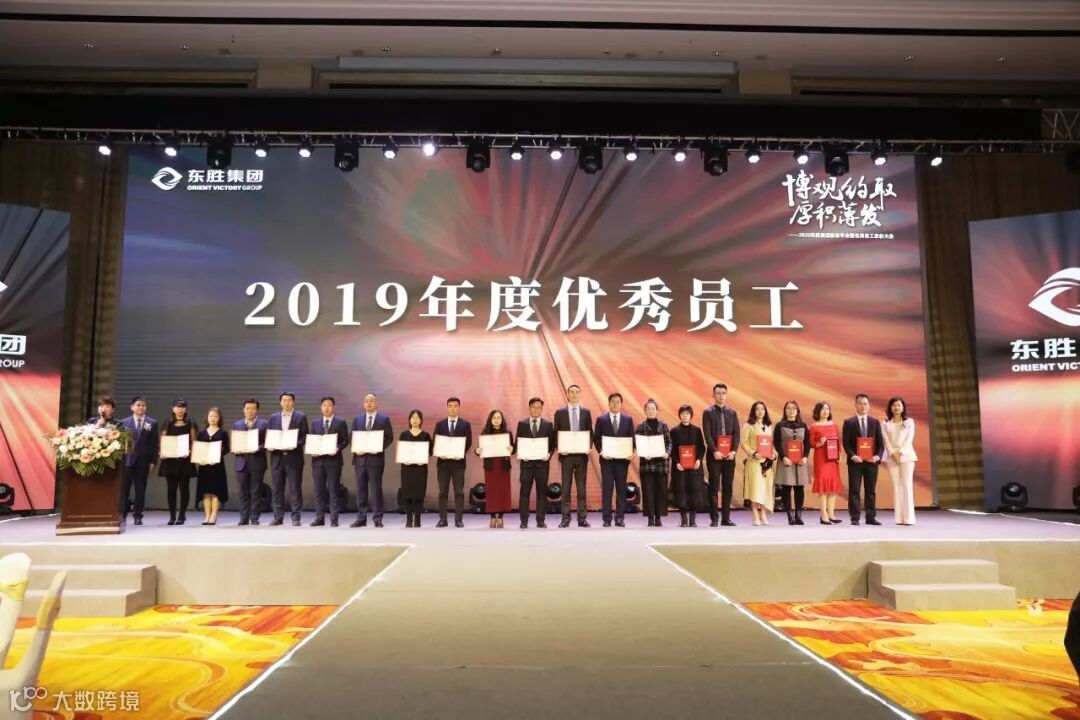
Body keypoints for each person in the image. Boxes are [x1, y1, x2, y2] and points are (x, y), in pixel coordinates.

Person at [351, 393, 394, 528]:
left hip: (375, 459)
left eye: (371, 401)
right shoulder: (357, 419)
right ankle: (361, 518)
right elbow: (352, 437)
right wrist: (356, 448)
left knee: (375, 489)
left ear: (376, 403)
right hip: (360, 460)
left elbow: (389, 437)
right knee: (361, 490)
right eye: (366, 401)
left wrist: (379, 447)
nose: (368, 403)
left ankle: (377, 518)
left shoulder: (384, 419)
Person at [554, 384, 593, 528]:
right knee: (566, 488)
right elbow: (556, 433)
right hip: (566, 456)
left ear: (580, 394)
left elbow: (590, 432)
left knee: (581, 488)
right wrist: (559, 448)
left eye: (577, 392)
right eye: (571, 392)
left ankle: (582, 518)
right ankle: (565, 518)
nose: (574, 395)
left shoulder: (586, 412)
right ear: (567, 394)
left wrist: (588, 446)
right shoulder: (560, 413)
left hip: (581, 456)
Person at [842, 393, 885, 526]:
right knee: (854, 490)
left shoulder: (875, 422)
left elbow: (881, 444)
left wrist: (877, 456)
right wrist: (852, 455)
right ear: (856, 405)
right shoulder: (849, 422)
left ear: (869, 406)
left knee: (870, 491)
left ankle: (870, 517)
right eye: (860, 403)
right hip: (855, 462)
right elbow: (846, 443)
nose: (863, 406)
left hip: (871, 463)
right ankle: (855, 517)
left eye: (865, 404)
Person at [594, 392, 634, 528]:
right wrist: (601, 452)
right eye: (613, 401)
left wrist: (631, 452)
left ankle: (620, 518)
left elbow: (631, 438)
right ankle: (606, 518)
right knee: (607, 490)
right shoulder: (601, 419)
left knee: (621, 490)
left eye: (618, 402)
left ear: (621, 404)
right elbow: (597, 438)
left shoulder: (628, 420)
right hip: (607, 461)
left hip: (622, 461)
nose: (615, 404)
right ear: (609, 403)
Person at [702, 383, 740, 527]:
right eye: (718, 393)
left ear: (726, 395)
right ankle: (714, 518)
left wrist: (734, 451)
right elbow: (707, 434)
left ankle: (726, 518)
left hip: (729, 456)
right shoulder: (708, 412)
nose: (721, 396)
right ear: (713, 395)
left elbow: (736, 433)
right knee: (714, 487)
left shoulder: (732, 413)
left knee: (727, 487)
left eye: (723, 393)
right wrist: (715, 451)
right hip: (715, 456)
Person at [268, 391, 308, 527]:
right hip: (277, 458)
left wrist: (295, 444)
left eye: (289, 400)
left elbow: (305, 437)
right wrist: (269, 445)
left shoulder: (301, 417)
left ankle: (296, 517)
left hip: (294, 458)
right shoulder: (273, 418)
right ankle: (278, 517)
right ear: (280, 402)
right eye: (284, 400)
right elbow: (269, 436)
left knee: (295, 489)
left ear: (293, 402)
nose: (286, 403)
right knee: (277, 489)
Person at [516, 397, 556, 529]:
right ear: (529, 408)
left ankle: (541, 520)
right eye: (533, 407)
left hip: (542, 465)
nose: (536, 409)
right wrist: (521, 454)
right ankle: (524, 521)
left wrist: (548, 455)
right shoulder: (522, 424)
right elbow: (518, 443)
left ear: (542, 409)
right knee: (524, 493)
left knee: (542, 493)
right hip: (526, 465)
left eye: (539, 407)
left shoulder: (548, 425)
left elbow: (552, 445)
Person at [433, 397, 473, 528]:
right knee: (442, 492)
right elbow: (436, 442)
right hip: (443, 463)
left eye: (455, 406)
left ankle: (458, 520)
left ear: (459, 407)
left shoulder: (465, 424)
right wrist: (440, 453)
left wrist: (459, 453)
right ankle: (442, 519)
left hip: (458, 463)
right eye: (450, 406)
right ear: (447, 407)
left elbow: (468, 442)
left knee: (459, 492)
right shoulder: (440, 424)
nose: (453, 409)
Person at [311, 396, 349, 527]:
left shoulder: (340, 422)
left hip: (334, 461)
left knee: (333, 491)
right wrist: (312, 450)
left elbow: (345, 441)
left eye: (329, 405)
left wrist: (337, 448)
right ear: (321, 408)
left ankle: (334, 519)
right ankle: (319, 518)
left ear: (333, 407)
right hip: (318, 462)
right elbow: (312, 440)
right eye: (324, 405)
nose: (326, 408)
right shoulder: (315, 423)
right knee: (318, 492)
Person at [158, 398, 197, 526]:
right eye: (178, 407)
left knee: (184, 489)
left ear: (185, 409)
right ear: (173, 408)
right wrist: (162, 451)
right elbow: (163, 439)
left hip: (185, 460)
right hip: (170, 460)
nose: (180, 409)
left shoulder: (190, 422)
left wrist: (190, 451)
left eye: (182, 407)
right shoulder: (168, 422)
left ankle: (182, 515)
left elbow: (194, 441)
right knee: (171, 490)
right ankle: (172, 515)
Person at [120, 396, 159, 525]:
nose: (141, 407)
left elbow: (154, 444)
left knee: (140, 490)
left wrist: (153, 461)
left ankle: (138, 515)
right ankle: (122, 514)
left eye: (143, 405)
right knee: (124, 490)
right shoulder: (123, 422)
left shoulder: (152, 423)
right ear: (132, 407)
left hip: (143, 461)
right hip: (127, 461)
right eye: (138, 405)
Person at [881, 396, 918, 526]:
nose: (896, 407)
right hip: (891, 458)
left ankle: (909, 519)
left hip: (907, 456)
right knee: (896, 487)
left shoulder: (909, 422)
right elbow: (885, 440)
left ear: (903, 408)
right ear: (890, 408)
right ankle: (899, 518)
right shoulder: (885, 423)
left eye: (899, 405)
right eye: (894, 405)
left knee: (907, 485)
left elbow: (909, 440)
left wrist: (900, 452)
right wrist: (893, 453)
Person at [773, 400, 811, 526]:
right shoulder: (780, 425)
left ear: (797, 411)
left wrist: (805, 457)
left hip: (800, 461)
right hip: (786, 460)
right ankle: (790, 515)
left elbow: (807, 443)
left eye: (793, 408)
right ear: (785, 410)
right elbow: (777, 443)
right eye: (788, 408)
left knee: (799, 488)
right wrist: (783, 457)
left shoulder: (803, 425)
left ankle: (798, 514)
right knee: (786, 488)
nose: (791, 410)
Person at [635, 399, 672, 527]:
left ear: (657, 411)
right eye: (648, 409)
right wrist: (643, 453)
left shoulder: (664, 425)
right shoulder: (640, 426)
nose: (651, 411)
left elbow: (669, 442)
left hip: (661, 464)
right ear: (644, 411)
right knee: (648, 492)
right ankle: (650, 518)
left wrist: (667, 452)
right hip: (647, 464)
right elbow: (637, 444)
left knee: (661, 492)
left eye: (653, 409)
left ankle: (659, 518)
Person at [232, 399, 268, 526]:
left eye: (253, 409)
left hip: (257, 461)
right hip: (241, 462)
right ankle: (243, 518)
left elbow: (268, 443)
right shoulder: (237, 425)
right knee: (243, 492)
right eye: (247, 408)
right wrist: (236, 449)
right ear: (243, 410)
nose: (250, 411)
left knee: (256, 491)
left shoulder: (264, 424)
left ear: (257, 410)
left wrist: (258, 448)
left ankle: (254, 518)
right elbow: (234, 444)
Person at [741, 401, 777, 527]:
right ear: (753, 411)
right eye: (757, 409)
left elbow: (771, 444)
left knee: (765, 489)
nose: (760, 411)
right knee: (756, 489)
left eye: (762, 409)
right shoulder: (748, 425)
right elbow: (744, 443)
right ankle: (755, 515)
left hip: (767, 463)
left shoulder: (768, 426)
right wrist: (754, 453)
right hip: (754, 462)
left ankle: (763, 515)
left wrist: (774, 454)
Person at [476, 410, 514, 528]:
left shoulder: (507, 433)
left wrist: (512, 449)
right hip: (490, 466)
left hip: (503, 466)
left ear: (502, 420)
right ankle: (492, 517)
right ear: (490, 419)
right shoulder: (485, 433)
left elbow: (513, 449)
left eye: (498, 417)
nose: (496, 420)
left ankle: (501, 517)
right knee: (491, 492)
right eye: (494, 418)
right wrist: (477, 451)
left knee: (503, 491)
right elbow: (479, 449)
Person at [670, 404, 706, 527]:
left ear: (691, 416)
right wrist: (676, 462)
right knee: (681, 492)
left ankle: (693, 520)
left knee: (694, 491)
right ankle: (684, 519)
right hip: (680, 468)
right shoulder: (674, 431)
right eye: (683, 414)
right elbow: (672, 450)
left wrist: (699, 460)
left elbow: (702, 448)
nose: (685, 416)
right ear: (679, 415)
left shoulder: (697, 430)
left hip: (694, 467)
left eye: (687, 414)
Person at [809, 401, 844, 525]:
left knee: (833, 487)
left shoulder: (834, 425)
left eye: (827, 409)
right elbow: (810, 443)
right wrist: (819, 443)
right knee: (823, 487)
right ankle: (823, 514)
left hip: (833, 459)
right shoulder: (814, 426)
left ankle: (831, 514)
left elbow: (837, 441)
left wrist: (839, 454)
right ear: (817, 411)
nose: (825, 411)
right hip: (821, 459)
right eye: (823, 409)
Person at [195, 407, 230, 525]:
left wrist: (220, 449)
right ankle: (207, 515)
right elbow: (198, 448)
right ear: (207, 418)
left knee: (215, 491)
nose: (213, 418)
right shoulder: (201, 433)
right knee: (206, 491)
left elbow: (227, 449)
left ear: (219, 418)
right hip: (204, 466)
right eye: (211, 416)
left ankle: (214, 515)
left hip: (217, 466)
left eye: (215, 416)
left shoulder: (223, 433)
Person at [399, 410, 430, 528]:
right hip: (407, 468)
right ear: (409, 420)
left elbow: (430, 451)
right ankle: (408, 520)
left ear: (421, 420)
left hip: (420, 469)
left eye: (417, 418)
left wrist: (424, 456)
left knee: (419, 493)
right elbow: (401, 451)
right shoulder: (404, 435)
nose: (415, 420)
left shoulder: (425, 435)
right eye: (413, 417)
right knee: (407, 493)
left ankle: (417, 520)